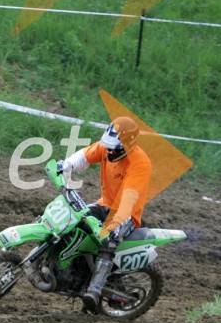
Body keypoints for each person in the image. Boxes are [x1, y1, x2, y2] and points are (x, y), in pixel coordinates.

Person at [57, 116, 152, 312]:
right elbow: (85, 156)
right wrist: (67, 165)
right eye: (107, 146)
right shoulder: (108, 147)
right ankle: (75, 269)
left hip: (126, 213)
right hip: (104, 204)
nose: (108, 151)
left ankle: (94, 290)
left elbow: (129, 198)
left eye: (113, 149)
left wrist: (114, 223)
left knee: (108, 238)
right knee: (75, 219)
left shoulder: (140, 163)